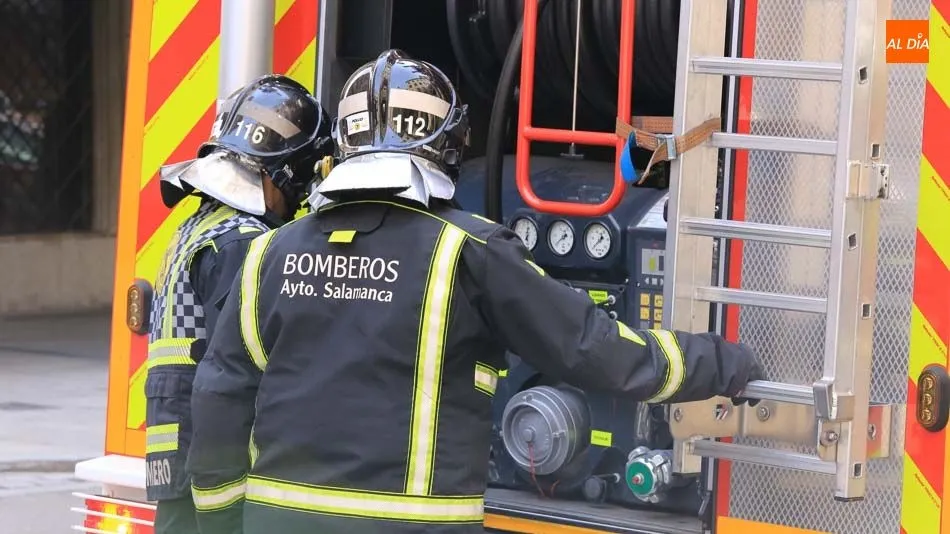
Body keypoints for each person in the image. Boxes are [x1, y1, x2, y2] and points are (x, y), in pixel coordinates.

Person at [186, 49, 765, 534]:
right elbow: (591, 346)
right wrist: (720, 362)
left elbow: (219, 399)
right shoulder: (466, 250)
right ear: (448, 143)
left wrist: (218, 521)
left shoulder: (269, 253)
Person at [143, 74, 334, 534]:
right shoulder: (242, 243)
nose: (298, 201)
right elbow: (242, 367)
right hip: (204, 454)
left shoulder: (203, 223)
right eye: (298, 185)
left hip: (177, 443)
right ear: (275, 174)